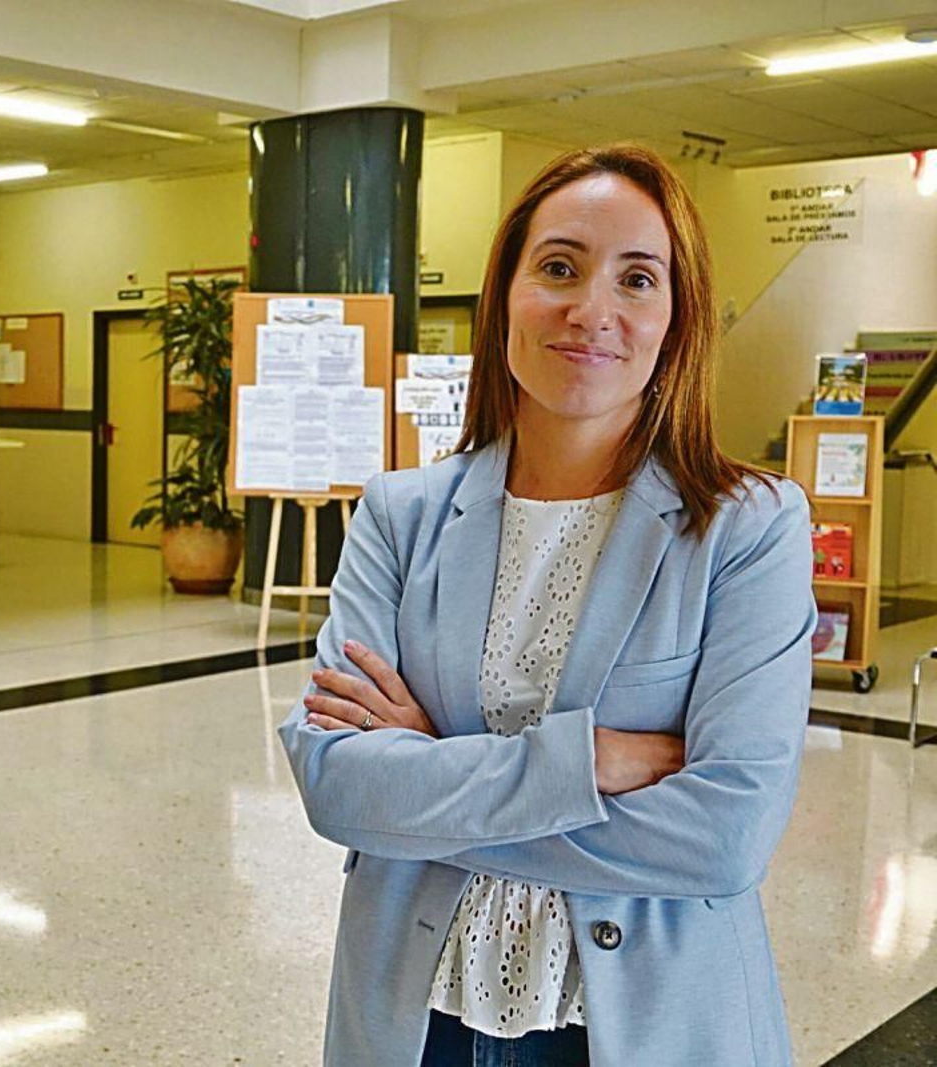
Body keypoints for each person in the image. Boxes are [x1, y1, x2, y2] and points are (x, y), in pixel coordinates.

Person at [278, 143, 815, 1067]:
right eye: (559, 266)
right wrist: (586, 764)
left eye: (638, 279)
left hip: (640, 1024)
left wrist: (438, 777)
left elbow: (726, 836)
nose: (591, 309)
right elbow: (340, 783)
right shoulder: (400, 515)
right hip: (417, 1017)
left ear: (677, 321)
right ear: (506, 296)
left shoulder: (746, 528)